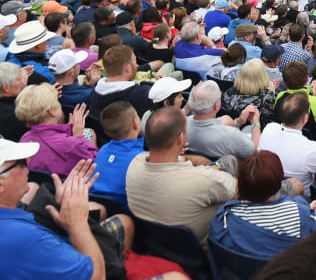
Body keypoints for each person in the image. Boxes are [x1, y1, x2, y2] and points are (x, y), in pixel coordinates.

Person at [0, 140, 106, 280]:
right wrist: (78, 223)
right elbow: (97, 277)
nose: (28, 162)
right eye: (20, 162)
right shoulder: (26, 241)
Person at [126, 106, 236, 246]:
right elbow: (237, 188)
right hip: (202, 251)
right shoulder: (203, 180)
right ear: (180, 138)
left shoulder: (134, 164)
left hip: (156, 244)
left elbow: (180, 163)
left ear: (146, 134)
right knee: (230, 162)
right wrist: (212, 170)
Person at [209, 151, 316, 259]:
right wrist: (315, 215)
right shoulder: (303, 214)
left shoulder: (224, 217)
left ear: (241, 184)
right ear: (278, 185)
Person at [16, 84, 99, 177]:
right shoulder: (70, 144)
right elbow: (96, 163)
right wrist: (79, 137)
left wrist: (68, 131)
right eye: (57, 102)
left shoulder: (25, 138)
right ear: (51, 111)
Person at [258, 92, 316, 194]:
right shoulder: (312, 149)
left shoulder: (269, 128)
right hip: (299, 200)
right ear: (305, 118)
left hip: (266, 190)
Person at [90, 101, 147, 211]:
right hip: (123, 214)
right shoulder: (141, 158)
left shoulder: (103, 149)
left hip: (94, 206)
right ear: (136, 123)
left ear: (106, 132)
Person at [186, 80, 259, 160]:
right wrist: (255, 122)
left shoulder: (181, 125)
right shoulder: (231, 135)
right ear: (217, 105)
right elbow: (254, 151)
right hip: (229, 170)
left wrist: (238, 122)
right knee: (248, 129)